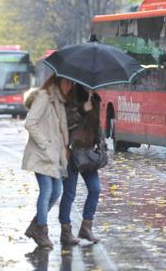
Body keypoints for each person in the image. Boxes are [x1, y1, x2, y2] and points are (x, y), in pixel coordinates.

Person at [22, 74, 73, 248]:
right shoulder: (44, 97)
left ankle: (36, 225)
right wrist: (45, 145)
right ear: (57, 81)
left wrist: (63, 148)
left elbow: (58, 130)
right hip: (42, 154)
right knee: (47, 190)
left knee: (56, 191)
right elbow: (30, 123)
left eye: (71, 83)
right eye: (67, 82)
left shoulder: (58, 101)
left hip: (53, 156)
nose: (70, 86)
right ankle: (41, 230)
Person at [59, 83, 103, 245]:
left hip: (88, 153)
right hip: (72, 152)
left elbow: (96, 125)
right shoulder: (70, 98)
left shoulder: (96, 99)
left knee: (95, 188)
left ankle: (86, 228)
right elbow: (64, 122)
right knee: (69, 193)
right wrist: (82, 109)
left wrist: (101, 144)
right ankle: (65, 231)